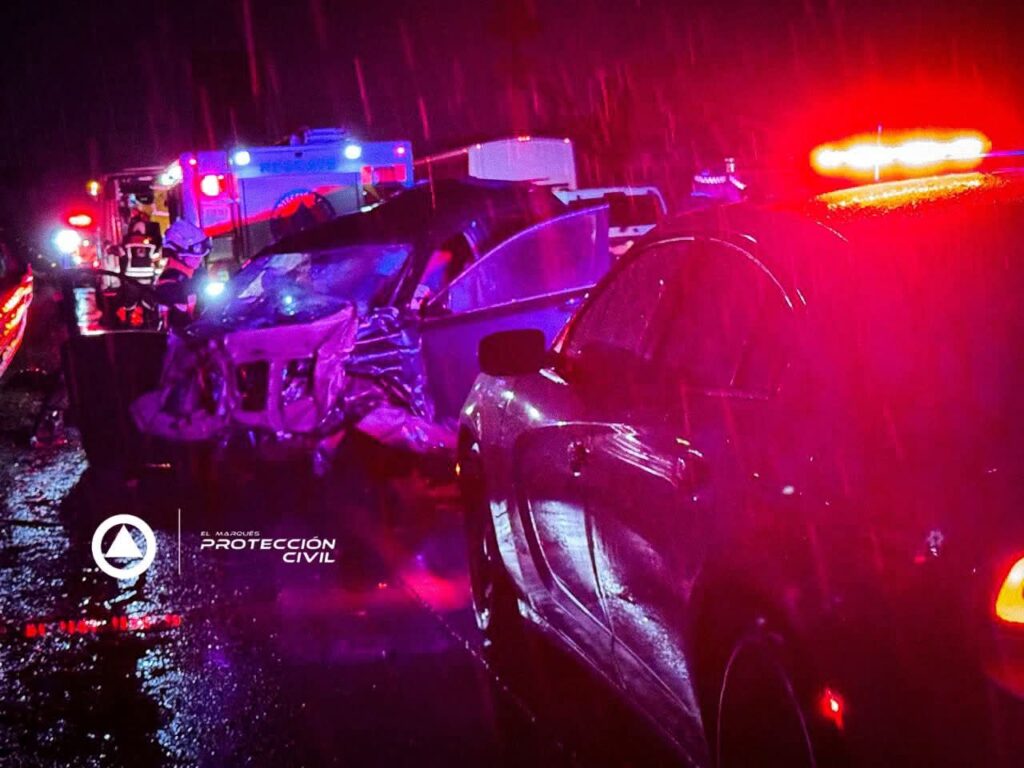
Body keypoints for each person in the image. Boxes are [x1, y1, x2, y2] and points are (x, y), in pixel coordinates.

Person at [157, 219, 212, 327]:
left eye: (200, 256)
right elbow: (181, 324)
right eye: (194, 256)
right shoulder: (169, 283)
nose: (199, 259)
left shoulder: (196, 274)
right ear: (178, 254)